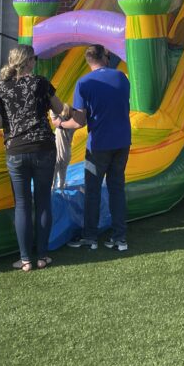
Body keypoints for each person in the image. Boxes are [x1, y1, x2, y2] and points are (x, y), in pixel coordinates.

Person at [0, 45, 69, 270]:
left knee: (22, 204)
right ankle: (42, 256)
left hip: (16, 149)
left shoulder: (1, 88)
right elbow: (60, 108)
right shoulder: (40, 83)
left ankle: (25, 260)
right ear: (29, 62)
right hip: (43, 146)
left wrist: (15, 124)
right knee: (43, 201)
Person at [55, 44, 131, 252]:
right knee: (117, 189)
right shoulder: (122, 78)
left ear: (88, 61)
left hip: (99, 145)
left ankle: (90, 237)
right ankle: (120, 237)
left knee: (93, 191)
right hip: (123, 141)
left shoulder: (84, 83)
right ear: (105, 57)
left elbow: (79, 122)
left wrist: (60, 124)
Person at [51, 102, 74, 189]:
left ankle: (53, 188)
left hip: (57, 152)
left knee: (54, 172)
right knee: (62, 172)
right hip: (66, 153)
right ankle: (61, 187)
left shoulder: (60, 121)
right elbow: (83, 122)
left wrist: (54, 105)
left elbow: (53, 114)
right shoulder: (72, 125)